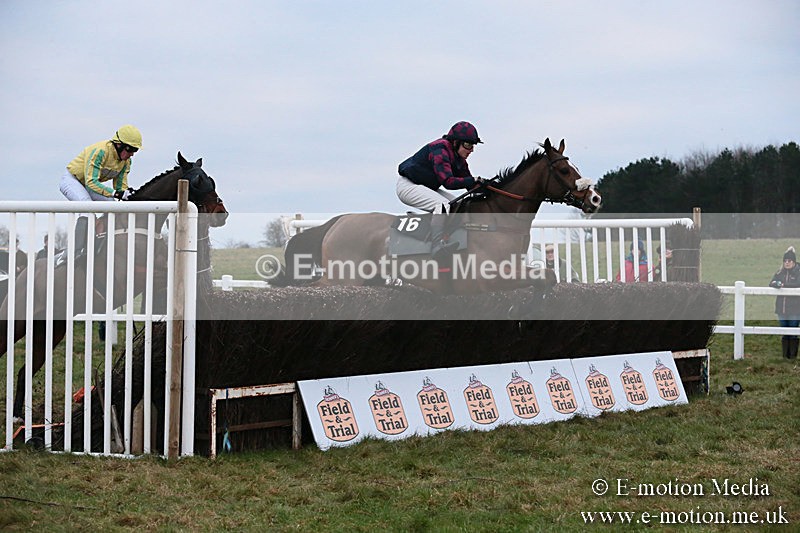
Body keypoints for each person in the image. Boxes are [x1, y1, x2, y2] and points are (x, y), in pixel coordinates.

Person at [397, 121, 485, 258]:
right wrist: (473, 180)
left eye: (472, 145)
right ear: (455, 142)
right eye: (468, 145)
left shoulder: (459, 159)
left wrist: (489, 187)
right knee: (443, 205)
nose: (471, 150)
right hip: (408, 186)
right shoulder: (440, 149)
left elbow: (471, 186)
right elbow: (448, 182)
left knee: (458, 205)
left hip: (425, 186)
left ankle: (447, 236)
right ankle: (437, 245)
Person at [59, 125, 142, 202]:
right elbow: (91, 182)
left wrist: (128, 194)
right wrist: (116, 193)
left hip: (89, 186)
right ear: (119, 145)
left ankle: (100, 219)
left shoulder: (126, 162)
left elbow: (120, 187)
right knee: (86, 205)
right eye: (130, 149)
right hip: (72, 180)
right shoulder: (101, 152)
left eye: (135, 150)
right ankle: (85, 217)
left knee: (112, 206)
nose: (132, 154)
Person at [769, 246, 800, 359]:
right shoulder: (780, 272)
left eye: (789, 261)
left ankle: (792, 357)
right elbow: (771, 282)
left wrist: (783, 285)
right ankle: (785, 356)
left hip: (795, 309)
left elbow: (797, 284)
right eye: (785, 261)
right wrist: (777, 284)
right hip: (781, 308)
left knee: (793, 331)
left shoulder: (798, 272)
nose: (787, 263)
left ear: (794, 261)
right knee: (784, 331)